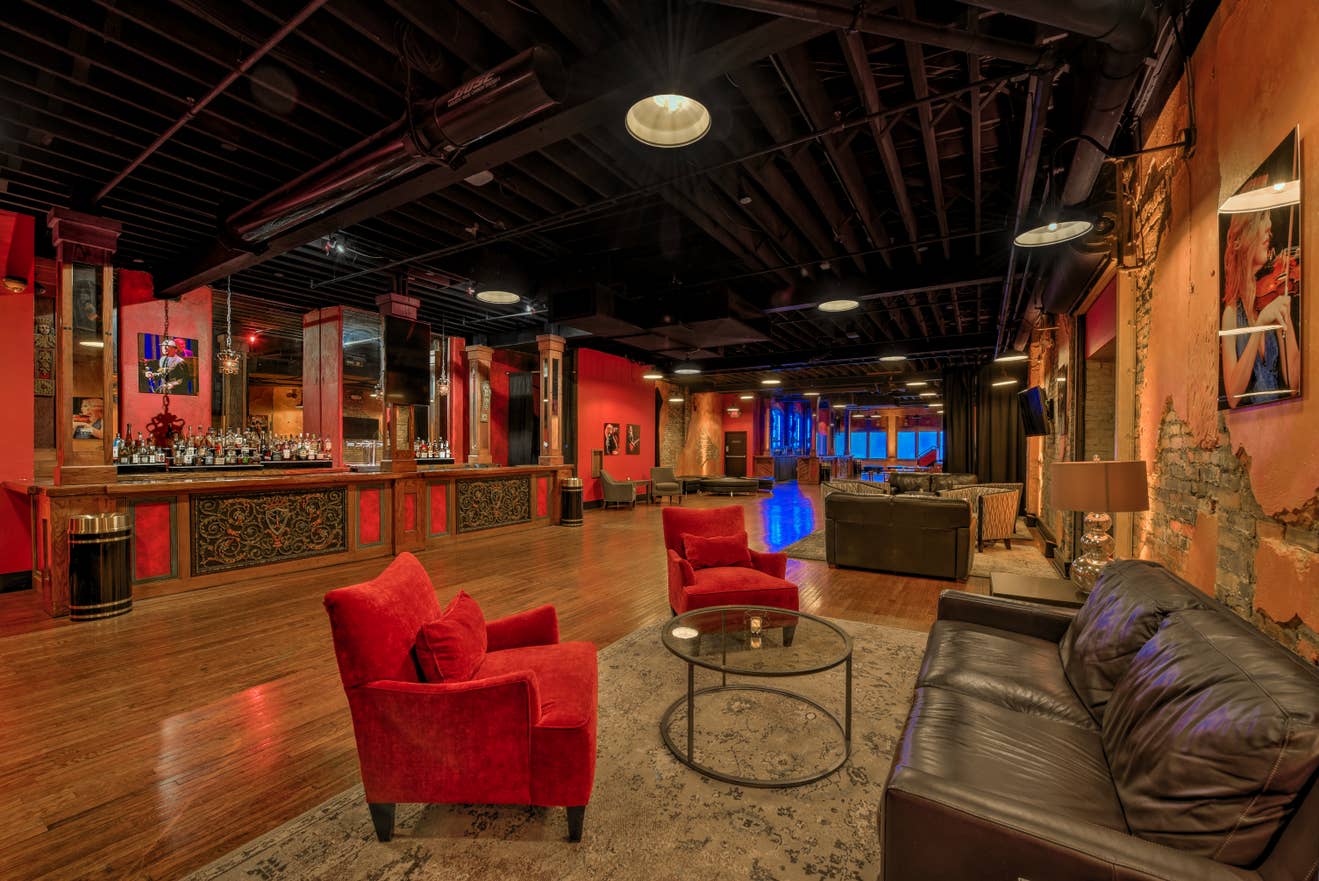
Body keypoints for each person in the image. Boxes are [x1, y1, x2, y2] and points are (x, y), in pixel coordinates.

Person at [1220, 205, 1300, 408]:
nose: (1269, 226)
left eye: (1269, 219)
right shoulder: (1231, 315)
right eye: (1262, 218)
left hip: (1282, 422)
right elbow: (1233, 396)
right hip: (1247, 430)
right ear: (1242, 237)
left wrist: (1285, 317)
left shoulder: (1273, 296)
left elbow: (1294, 384)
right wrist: (1260, 325)